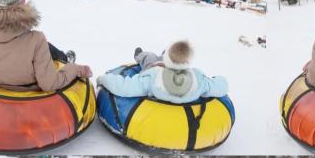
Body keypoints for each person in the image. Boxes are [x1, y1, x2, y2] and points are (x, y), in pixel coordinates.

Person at [97, 40, 228, 104]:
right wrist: (219, 78)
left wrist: (103, 79)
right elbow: (221, 86)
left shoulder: (154, 78)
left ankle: (140, 55)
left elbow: (125, 87)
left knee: (149, 57)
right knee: (159, 57)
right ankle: (165, 54)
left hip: (154, 67)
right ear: (188, 62)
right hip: (168, 65)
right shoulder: (198, 80)